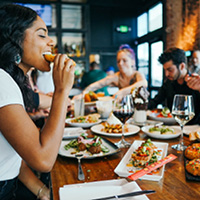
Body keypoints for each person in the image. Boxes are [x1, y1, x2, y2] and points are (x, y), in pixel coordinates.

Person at [0, 4, 75, 200]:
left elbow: (11, 154)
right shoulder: (1, 81)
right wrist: (62, 91)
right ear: (15, 39)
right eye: (42, 35)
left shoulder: (12, 81)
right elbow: (43, 159)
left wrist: (42, 191)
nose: (51, 42)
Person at [74, 44, 147, 100]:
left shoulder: (137, 74)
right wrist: (83, 94)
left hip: (141, 110)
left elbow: (143, 83)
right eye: (118, 61)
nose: (120, 63)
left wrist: (121, 92)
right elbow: (97, 84)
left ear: (132, 62)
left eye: (124, 60)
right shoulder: (116, 77)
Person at [148, 47, 200, 125]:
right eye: (165, 70)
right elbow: (155, 101)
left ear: (182, 66)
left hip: (193, 130)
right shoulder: (168, 83)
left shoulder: (195, 82)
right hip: (172, 128)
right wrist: (141, 104)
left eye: (170, 70)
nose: (166, 74)